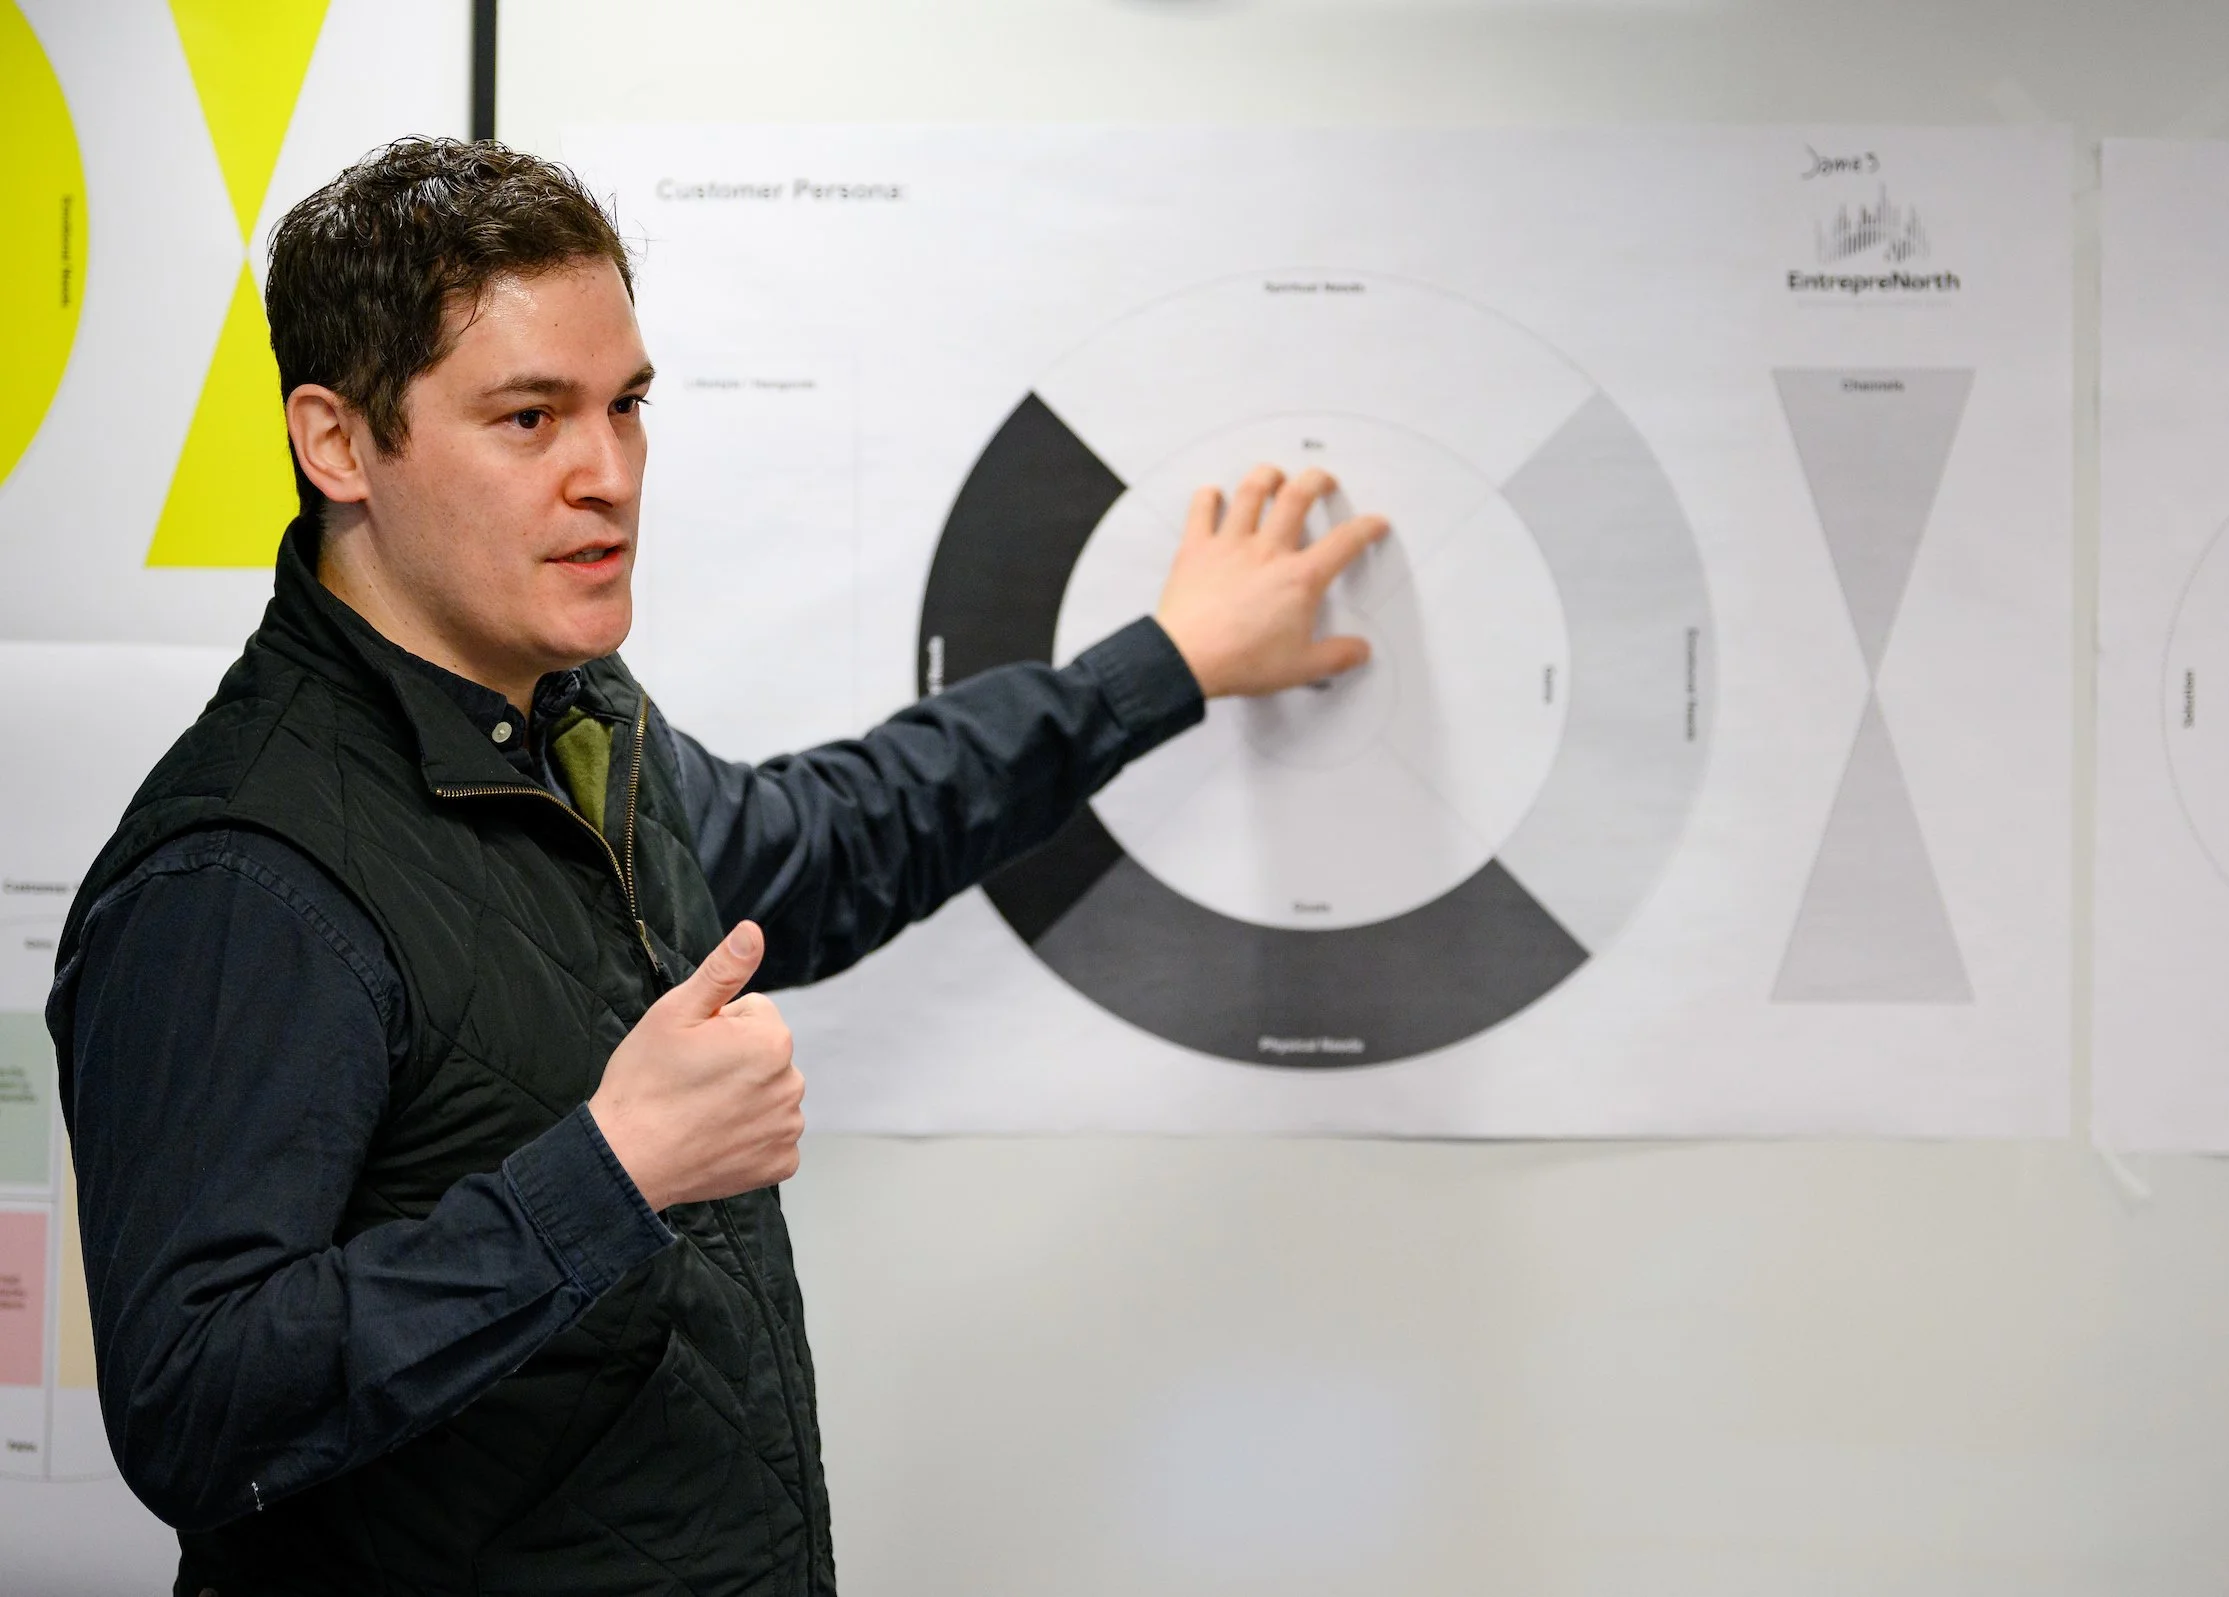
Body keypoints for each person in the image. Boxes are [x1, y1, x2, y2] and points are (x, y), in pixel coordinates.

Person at [45, 138, 1386, 1595]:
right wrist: (610, 1172)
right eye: (528, 417)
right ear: (338, 443)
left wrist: (1166, 666)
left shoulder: (571, 721)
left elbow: (839, 833)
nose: (606, 475)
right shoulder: (242, 872)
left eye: (626, 408)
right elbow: (193, 1405)